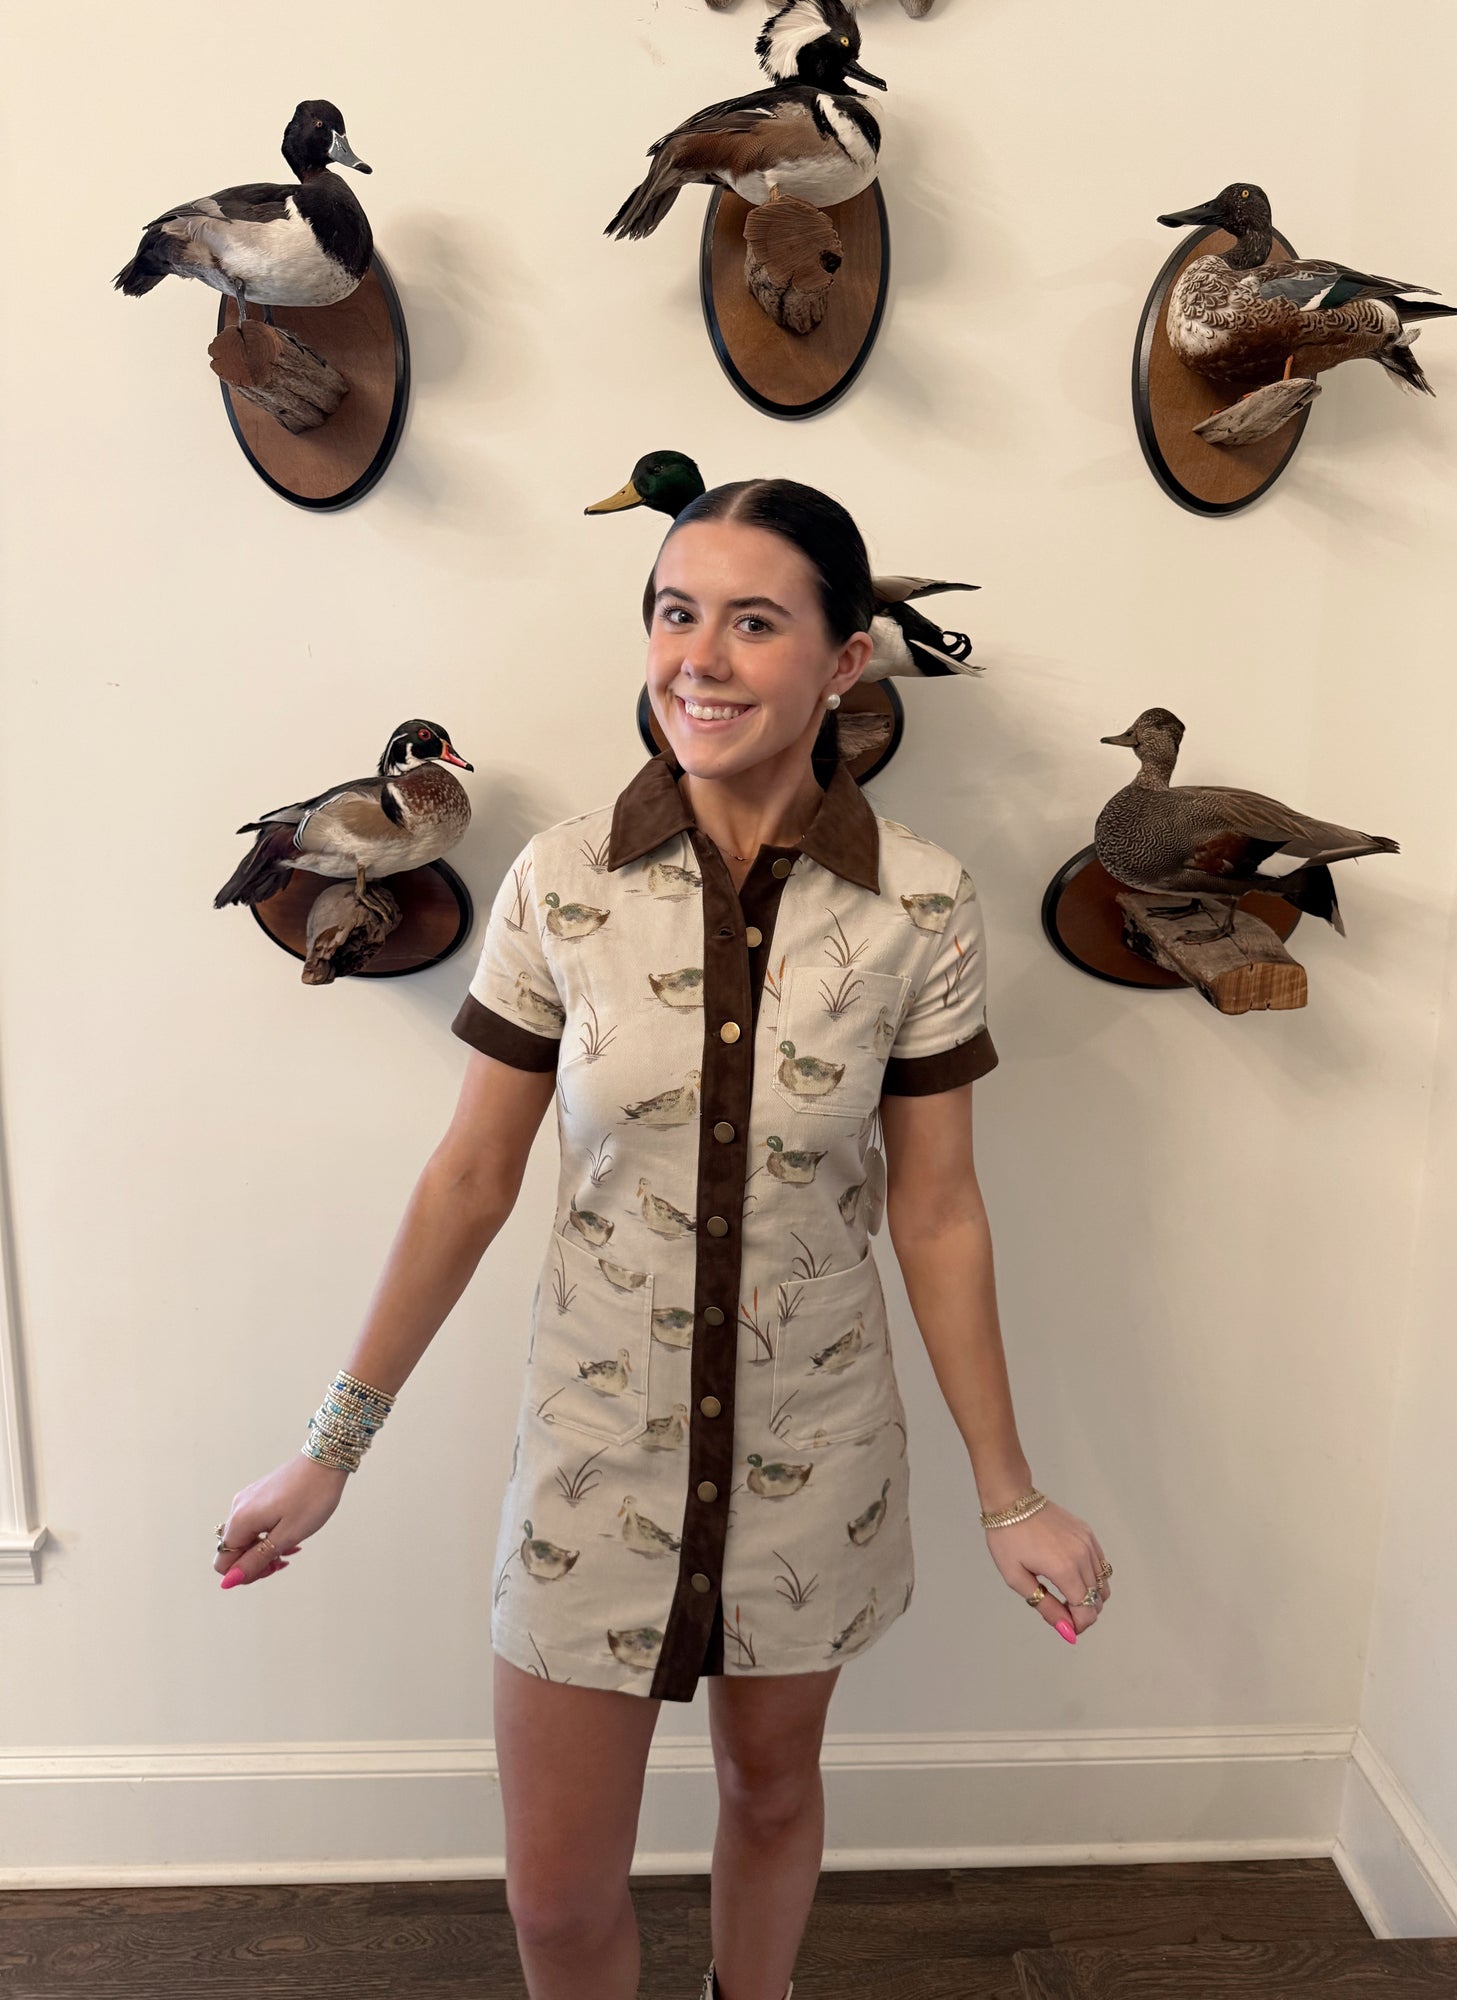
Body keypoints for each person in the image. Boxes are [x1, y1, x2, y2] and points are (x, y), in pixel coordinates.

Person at [213, 478, 1111, 2000]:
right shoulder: (562, 884)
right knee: (559, 1906)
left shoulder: (920, 904)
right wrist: (330, 1449)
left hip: (815, 1445)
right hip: (594, 1456)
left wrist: (1009, 1493)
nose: (699, 655)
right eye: (675, 612)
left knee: (771, 1796)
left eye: (754, 621)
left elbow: (939, 1209)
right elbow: (470, 1178)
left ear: (843, 660)